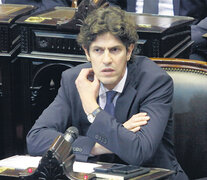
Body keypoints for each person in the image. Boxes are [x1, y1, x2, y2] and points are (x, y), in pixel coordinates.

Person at [26, 6, 188, 179]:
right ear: (87, 52)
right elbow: (36, 139)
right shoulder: (74, 80)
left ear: (129, 51)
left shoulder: (154, 82)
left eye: (115, 50)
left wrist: (92, 108)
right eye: (98, 50)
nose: (106, 60)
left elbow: (139, 152)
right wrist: (97, 146)